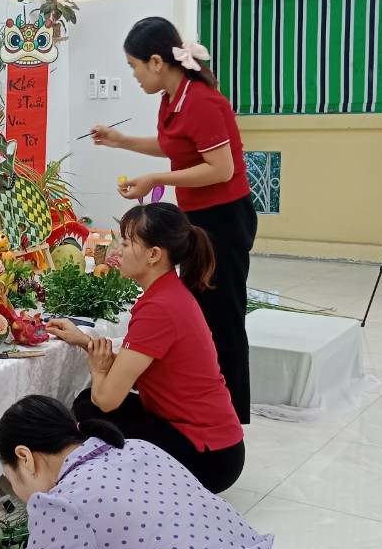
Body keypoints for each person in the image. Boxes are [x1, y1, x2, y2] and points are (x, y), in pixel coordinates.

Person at [0, 395, 312, 549]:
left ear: (25, 458)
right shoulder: (137, 448)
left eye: (12, 479)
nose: (18, 492)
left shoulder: (60, 505)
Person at [92, 16, 257, 424]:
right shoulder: (173, 98)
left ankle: (229, 417)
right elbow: (176, 147)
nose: (133, 76)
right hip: (200, 215)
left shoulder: (201, 101)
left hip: (224, 217)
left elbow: (220, 168)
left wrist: (157, 179)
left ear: (155, 61)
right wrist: (121, 141)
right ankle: (196, 402)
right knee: (200, 311)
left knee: (222, 316)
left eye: (134, 66)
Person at [47, 202, 244, 494]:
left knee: (92, 409)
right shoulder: (168, 292)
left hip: (209, 457)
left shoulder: (159, 309)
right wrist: (85, 341)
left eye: (126, 243)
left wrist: (97, 371)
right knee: (88, 403)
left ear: (154, 255)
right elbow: (138, 365)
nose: (117, 251)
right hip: (215, 443)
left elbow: (107, 399)